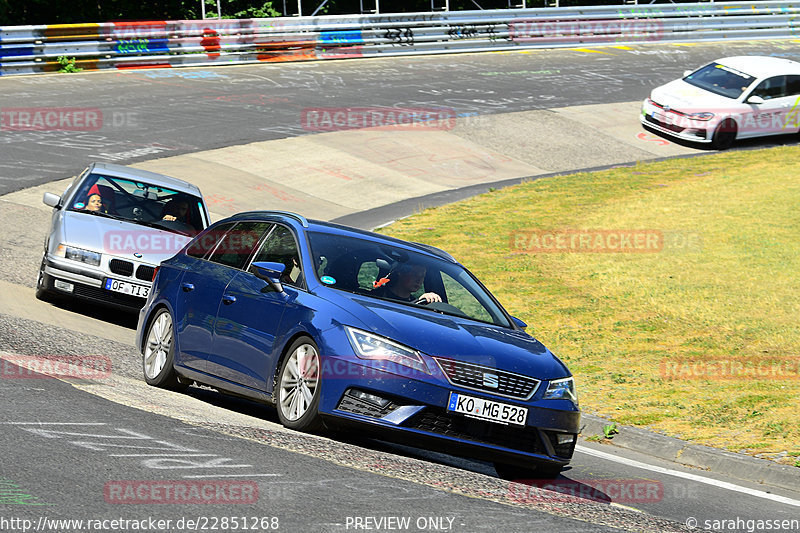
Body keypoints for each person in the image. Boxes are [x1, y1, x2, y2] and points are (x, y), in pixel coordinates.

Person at [374, 263, 441, 304]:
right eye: (415, 274)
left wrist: (428, 301)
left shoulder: (419, 303)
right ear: (401, 273)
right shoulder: (376, 297)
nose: (419, 280)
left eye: (422, 276)